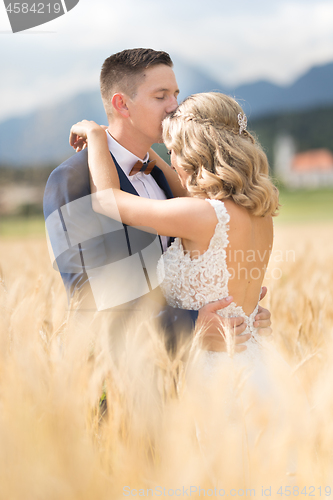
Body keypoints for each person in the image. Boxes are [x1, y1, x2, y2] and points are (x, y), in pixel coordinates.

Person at [44, 48, 272, 352]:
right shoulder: (72, 178)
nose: (174, 107)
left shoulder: (179, 184)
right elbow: (91, 299)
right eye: (161, 96)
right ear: (122, 104)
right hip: (127, 378)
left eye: (176, 94)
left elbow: (110, 200)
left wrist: (239, 309)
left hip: (199, 374)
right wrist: (193, 324)